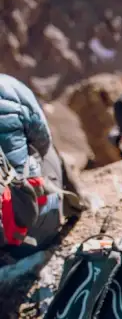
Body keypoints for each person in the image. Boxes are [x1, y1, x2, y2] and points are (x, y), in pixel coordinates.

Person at [0, 74, 86, 258]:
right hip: (38, 229)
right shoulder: (10, 86)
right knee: (47, 152)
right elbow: (43, 143)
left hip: (7, 239)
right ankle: (76, 203)